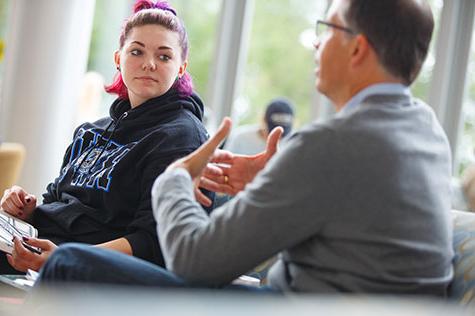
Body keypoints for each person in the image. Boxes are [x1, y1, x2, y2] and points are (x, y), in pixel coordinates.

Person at [38, 0, 454, 297]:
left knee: (68, 263)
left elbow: (193, 261)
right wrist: (277, 181)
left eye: (326, 30)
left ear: (358, 48)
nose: (316, 44)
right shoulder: (427, 131)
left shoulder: (332, 143)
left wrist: (176, 178)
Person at [0, 0, 212, 274]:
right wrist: (25, 212)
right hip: (43, 251)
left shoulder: (181, 138)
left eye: (164, 56)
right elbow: (56, 202)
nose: (149, 64)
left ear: (181, 67)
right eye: (136, 52)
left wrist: (65, 258)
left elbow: (152, 241)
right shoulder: (91, 132)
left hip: (86, 271)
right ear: (118, 59)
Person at [224, 98, 295, 155]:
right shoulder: (240, 138)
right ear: (263, 120)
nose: (278, 137)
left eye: (282, 134)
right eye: (272, 130)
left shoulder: (292, 143)